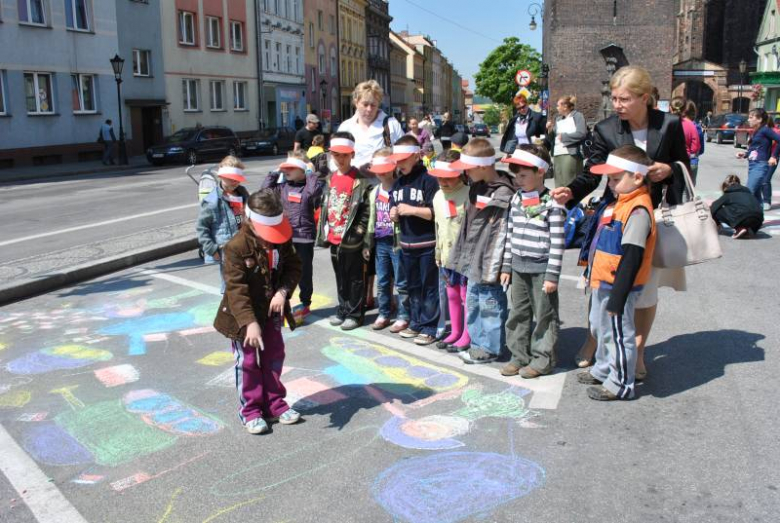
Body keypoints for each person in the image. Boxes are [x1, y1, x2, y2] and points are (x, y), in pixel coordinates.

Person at [551, 65, 689, 381]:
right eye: (614, 98)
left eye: (624, 99)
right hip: (614, 214)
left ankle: (638, 351)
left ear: (645, 97)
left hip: (651, 214)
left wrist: (669, 170)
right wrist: (570, 191)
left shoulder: (669, 124)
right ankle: (594, 340)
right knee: (603, 281)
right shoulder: (606, 129)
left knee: (646, 288)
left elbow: (684, 163)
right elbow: (592, 173)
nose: (617, 105)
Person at [212, 189, 303, 434]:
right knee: (248, 362)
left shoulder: (281, 239)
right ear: (249, 220)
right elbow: (236, 290)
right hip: (243, 318)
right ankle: (250, 410)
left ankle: (275, 404)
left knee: (274, 356)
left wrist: (282, 292)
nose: (269, 239)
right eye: (266, 232)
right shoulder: (235, 247)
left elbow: (294, 267)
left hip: (271, 313)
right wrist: (249, 323)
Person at [576, 145, 656, 401]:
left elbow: (632, 257)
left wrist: (619, 297)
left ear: (638, 177)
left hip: (618, 287)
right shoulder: (620, 202)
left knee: (619, 336)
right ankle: (603, 369)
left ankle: (620, 383)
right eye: (608, 179)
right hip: (604, 282)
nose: (610, 184)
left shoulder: (638, 210)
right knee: (601, 330)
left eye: (615, 179)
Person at [499, 145, 565, 378]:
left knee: (544, 315)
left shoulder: (553, 203)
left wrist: (552, 276)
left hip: (541, 269)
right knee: (518, 313)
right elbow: (510, 233)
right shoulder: (516, 199)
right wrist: (506, 265)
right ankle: (519, 356)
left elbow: (557, 242)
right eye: (516, 175)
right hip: (518, 267)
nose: (518, 180)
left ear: (540, 172)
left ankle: (543, 359)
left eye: (523, 175)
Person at [449, 138, 515, 364]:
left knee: (490, 306)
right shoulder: (476, 187)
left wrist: (505, 265)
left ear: (483, 167)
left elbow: (507, 233)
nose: (465, 173)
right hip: (474, 259)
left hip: (490, 262)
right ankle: (478, 345)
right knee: (474, 303)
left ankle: (491, 348)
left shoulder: (505, 194)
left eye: (468, 168)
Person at [316, 132, 372, 330]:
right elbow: (325, 205)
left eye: (344, 155)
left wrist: (358, 234)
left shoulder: (361, 180)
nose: (340, 159)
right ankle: (343, 308)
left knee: (355, 278)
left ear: (352, 155)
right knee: (340, 276)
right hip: (334, 237)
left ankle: (355, 314)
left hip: (352, 239)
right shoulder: (329, 178)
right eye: (336, 155)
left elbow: (366, 211)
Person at [261, 150, 325, 322]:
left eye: (292, 167)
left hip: (304, 237)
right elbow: (265, 192)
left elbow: (314, 193)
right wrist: (275, 172)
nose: (286, 170)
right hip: (285, 237)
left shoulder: (308, 186)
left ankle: (305, 303)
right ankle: (283, 301)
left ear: (303, 169)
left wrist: (310, 173)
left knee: (304, 272)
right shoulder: (282, 188)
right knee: (282, 270)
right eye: (285, 167)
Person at [388, 136, 440, 345]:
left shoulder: (429, 180)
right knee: (412, 287)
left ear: (416, 156)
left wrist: (412, 210)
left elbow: (435, 213)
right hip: (406, 244)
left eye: (404, 159)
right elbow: (393, 206)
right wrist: (393, 213)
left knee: (429, 287)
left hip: (427, 244)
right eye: (397, 160)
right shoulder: (397, 183)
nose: (399, 163)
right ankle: (416, 322)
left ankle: (430, 326)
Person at [429, 150, 471, 352]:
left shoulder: (469, 194)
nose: (443, 182)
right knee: (451, 294)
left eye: (449, 178)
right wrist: (437, 252)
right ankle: (455, 331)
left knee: (465, 297)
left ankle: (467, 334)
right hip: (445, 256)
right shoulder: (438, 196)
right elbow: (438, 226)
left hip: (464, 257)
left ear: (460, 174)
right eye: (440, 178)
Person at [363, 149, 410, 332]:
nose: (381, 173)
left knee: (401, 281)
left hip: (397, 242)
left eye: (385, 169)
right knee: (382, 280)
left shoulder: (401, 188)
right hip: (381, 241)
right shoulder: (374, 191)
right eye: (378, 170)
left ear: (393, 167)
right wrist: (368, 243)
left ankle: (403, 315)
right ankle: (384, 313)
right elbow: (371, 219)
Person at [196, 156, 250, 293]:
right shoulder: (212, 201)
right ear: (221, 176)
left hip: (245, 246)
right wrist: (211, 249)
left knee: (247, 282)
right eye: (231, 179)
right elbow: (202, 227)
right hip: (227, 249)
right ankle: (229, 305)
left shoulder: (243, 194)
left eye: (237, 179)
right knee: (231, 285)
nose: (235, 182)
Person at [338, 79, 404, 168]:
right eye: (365, 104)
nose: (369, 109)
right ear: (356, 103)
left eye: (373, 105)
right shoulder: (346, 127)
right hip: (354, 176)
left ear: (378, 104)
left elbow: (403, 155)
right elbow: (336, 159)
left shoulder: (391, 124)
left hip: (383, 175)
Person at [736, 108, 780, 209]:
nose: (748, 120)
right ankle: (758, 215)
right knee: (756, 194)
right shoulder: (757, 131)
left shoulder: (765, 130)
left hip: (760, 165)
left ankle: (743, 214)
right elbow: (755, 148)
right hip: (753, 164)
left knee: (749, 191)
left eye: (751, 117)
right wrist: (745, 154)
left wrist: (774, 156)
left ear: (759, 119)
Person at [547, 96, 588, 188]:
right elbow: (552, 138)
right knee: (559, 183)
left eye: (558, 105)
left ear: (565, 106)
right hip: (558, 153)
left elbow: (581, 133)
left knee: (569, 182)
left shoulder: (577, 116)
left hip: (571, 154)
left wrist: (564, 137)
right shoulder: (559, 119)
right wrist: (549, 129)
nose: (557, 108)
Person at [711, 174, 764, 238]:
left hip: (744, 219)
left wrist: (716, 222)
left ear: (726, 187)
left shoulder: (728, 194)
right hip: (758, 221)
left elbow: (713, 208)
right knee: (746, 212)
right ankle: (748, 230)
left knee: (717, 210)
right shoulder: (748, 193)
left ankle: (739, 228)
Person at [670, 97, 701, 186]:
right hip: (689, 162)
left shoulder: (668, 122)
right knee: (687, 189)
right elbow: (695, 148)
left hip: (671, 163)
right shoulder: (691, 124)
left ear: (670, 108)